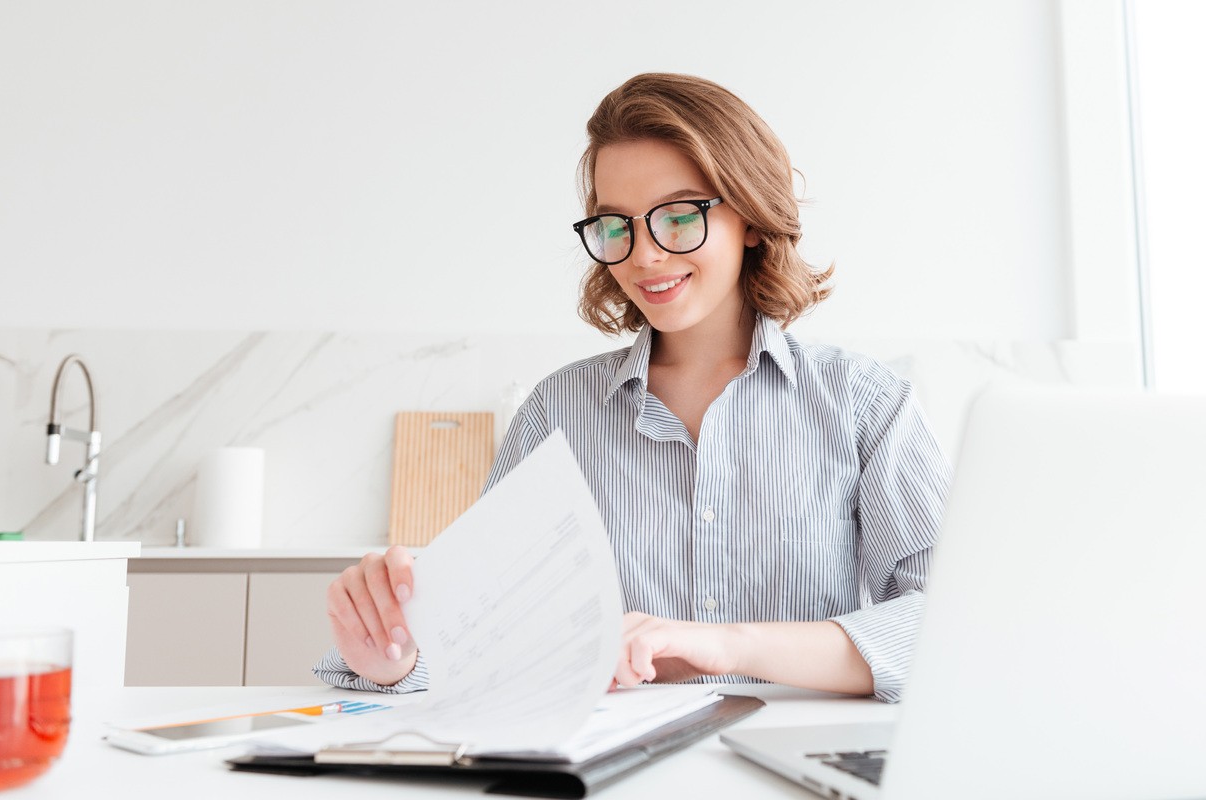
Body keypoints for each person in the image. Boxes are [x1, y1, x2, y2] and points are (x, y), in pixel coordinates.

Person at [315, 73, 950, 703]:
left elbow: (948, 624)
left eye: (678, 216)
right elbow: (487, 643)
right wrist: (394, 655)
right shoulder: (557, 413)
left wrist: (730, 645)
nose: (643, 255)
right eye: (616, 225)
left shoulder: (865, 403)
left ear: (752, 218)